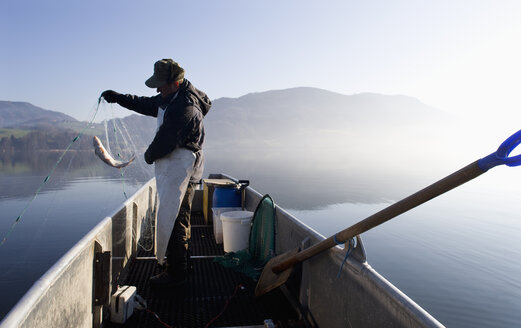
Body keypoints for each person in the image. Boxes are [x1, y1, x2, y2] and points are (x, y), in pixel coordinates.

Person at [101, 59, 211, 286]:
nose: (157, 89)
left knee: (174, 221)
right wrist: (119, 98)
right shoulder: (170, 97)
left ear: (176, 83)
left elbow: (166, 140)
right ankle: (182, 264)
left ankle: (176, 275)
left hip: (183, 170)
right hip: (180, 169)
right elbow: (146, 104)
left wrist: (148, 155)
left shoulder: (184, 106)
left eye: (161, 84)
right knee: (178, 219)